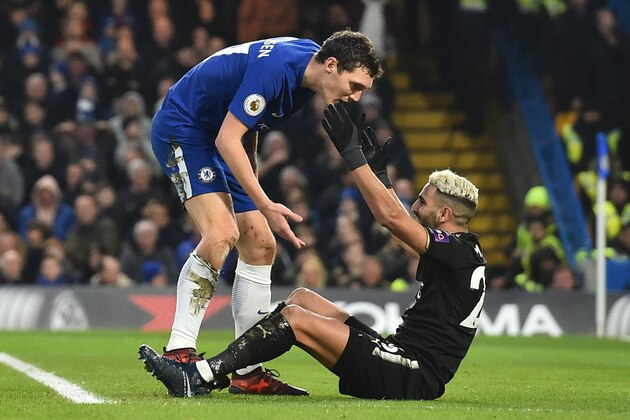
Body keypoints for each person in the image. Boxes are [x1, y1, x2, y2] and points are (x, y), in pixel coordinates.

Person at [139, 103, 486, 400]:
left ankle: (199, 375)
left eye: (422, 202)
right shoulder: (459, 251)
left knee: (295, 319)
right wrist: (381, 175)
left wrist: (355, 160)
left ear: (444, 215)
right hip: (400, 356)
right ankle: (248, 374)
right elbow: (398, 225)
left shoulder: (457, 251)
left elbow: (392, 219)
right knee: (302, 298)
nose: (415, 206)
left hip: (411, 372)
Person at [146, 31, 382, 395]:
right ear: (332, 66)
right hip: (187, 128)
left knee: (260, 244)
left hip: (220, 139)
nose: (356, 96)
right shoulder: (279, 71)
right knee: (222, 232)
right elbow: (228, 138)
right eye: (354, 85)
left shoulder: (307, 73)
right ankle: (179, 353)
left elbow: (249, 126)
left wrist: (255, 195)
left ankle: (247, 372)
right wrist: (265, 202)